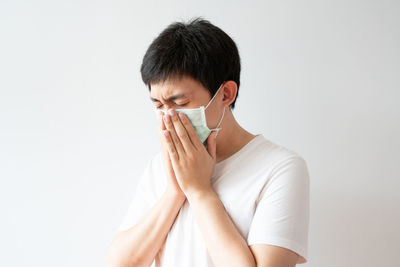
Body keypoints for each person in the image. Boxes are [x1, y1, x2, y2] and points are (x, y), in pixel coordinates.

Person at [107, 17, 310, 267]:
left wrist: (199, 190)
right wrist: (174, 191)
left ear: (226, 94)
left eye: (180, 103)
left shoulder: (280, 168)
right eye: (158, 105)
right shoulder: (160, 167)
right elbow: (122, 263)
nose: (168, 116)